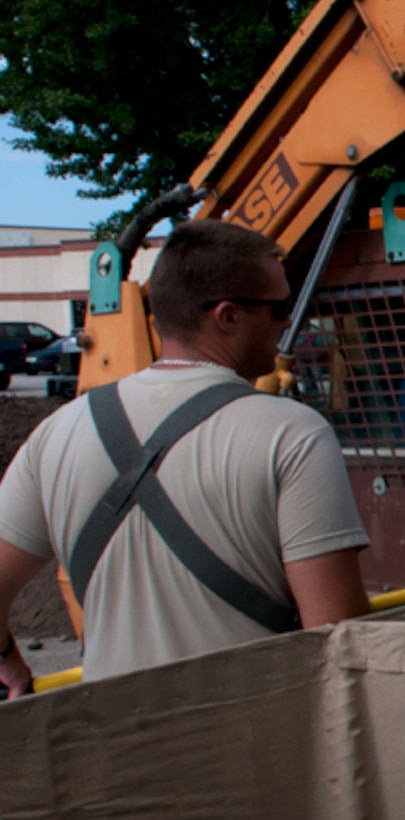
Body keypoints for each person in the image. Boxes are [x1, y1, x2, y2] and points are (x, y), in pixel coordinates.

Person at [0, 219, 372, 696]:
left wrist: (7, 660)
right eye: (280, 307)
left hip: (111, 748)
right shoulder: (292, 434)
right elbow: (339, 638)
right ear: (227, 316)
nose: (288, 321)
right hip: (257, 746)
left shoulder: (56, 433)